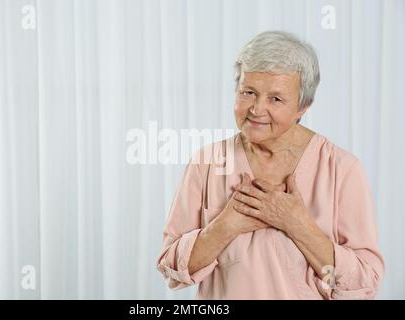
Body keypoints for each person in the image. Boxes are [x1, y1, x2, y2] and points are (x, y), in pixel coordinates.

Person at [156, 31, 384, 299]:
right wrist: (224, 226)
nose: (256, 109)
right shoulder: (206, 163)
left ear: (304, 106)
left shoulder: (342, 169)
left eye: (275, 99)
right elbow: (170, 267)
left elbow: (365, 282)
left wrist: (297, 224)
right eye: (248, 92)